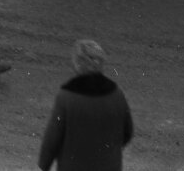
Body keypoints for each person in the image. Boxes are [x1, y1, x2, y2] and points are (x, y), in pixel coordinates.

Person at [37, 38, 134, 171]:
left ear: (77, 63)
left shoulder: (66, 97)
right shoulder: (117, 94)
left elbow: (53, 138)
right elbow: (127, 132)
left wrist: (43, 165)